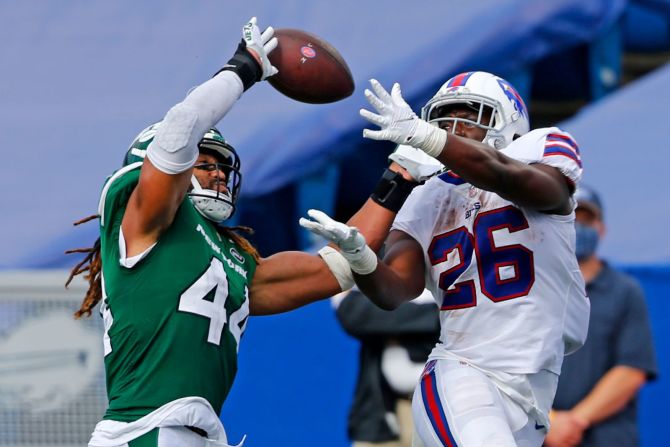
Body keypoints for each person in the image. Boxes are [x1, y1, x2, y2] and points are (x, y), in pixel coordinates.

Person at [65, 17, 414, 447]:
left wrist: (399, 176)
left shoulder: (229, 257)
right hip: (146, 430)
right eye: (204, 163)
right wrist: (242, 68)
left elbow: (334, 270)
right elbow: (179, 130)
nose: (216, 175)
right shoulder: (141, 217)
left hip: (197, 431)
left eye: (220, 167)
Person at [301, 72, 591, 447]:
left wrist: (430, 138)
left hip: (534, 385)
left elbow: (525, 183)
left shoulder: (540, 149)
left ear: (511, 123)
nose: (453, 128)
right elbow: (395, 291)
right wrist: (362, 259)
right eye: (444, 119)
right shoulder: (425, 197)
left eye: (469, 115)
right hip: (464, 372)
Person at [543, 185, 658, 447]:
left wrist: (573, 422)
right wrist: (548, 421)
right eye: (571, 219)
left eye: (586, 220)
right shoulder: (534, 289)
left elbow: (631, 370)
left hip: (608, 438)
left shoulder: (625, 291)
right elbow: (510, 362)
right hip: (538, 436)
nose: (578, 228)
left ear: (602, 228)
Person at [334, 286, 439, 447]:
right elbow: (352, 312)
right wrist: (431, 317)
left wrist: (390, 323)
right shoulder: (380, 264)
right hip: (385, 412)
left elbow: (464, 321)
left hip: (443, 407)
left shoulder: (459, 265)